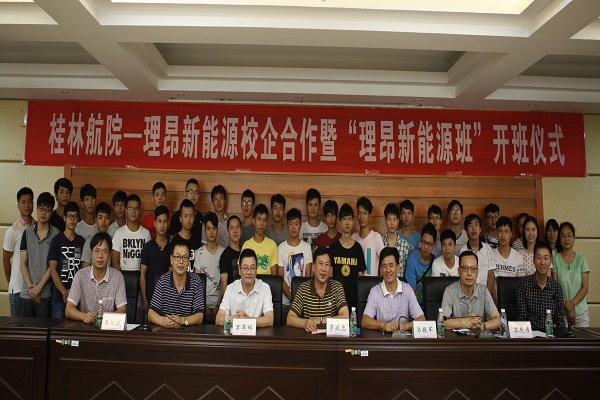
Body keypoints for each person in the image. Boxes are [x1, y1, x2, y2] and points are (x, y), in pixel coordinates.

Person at [66, 232, 127, 323]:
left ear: (109, 255)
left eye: (104, 251)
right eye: (97, 251)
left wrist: (105, 318)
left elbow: (122, 310)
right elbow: (68, 310)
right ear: (91, 253)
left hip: (108, 327)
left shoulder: (117, 277)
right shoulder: (80, 275)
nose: (100, 256)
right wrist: (83, 316)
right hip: (86, 327)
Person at [362, 247, 425, 332]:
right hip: (382, 338)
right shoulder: (375, 291)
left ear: (398, 268)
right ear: (380, 269)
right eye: (384, 266)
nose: (388, 270)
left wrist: (406, 326)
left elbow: (421, 319)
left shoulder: (407, 289)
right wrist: (383, 325)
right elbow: (365, 320)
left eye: (391, 265)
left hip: (402, 338)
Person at [287, 246, 348, 332]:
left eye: (327, 265)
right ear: (313, 267)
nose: (323, 269)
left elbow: (345, 317)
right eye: (320, 264)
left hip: (331, 338)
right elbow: (290, 319)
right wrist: (305, 323)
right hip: (309, 338)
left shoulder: (337, 287)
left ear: (330, 269)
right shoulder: (303, 289)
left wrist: (320, 320)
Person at [149, 238, 205, 328]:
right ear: (171, 259)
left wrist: (182, 321)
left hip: (187, 332)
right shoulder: (163, 281)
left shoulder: (196, 281)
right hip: (166, 330)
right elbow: (151, 313)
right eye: (177, 257)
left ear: (189, 261)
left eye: (185, 257)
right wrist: (163, 321)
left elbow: (199, 317)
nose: (181, 262)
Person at [19, 192, 58, 317]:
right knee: (24, 329)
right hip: (27, 293)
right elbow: (23, 263)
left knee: (43, 328)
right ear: (36, 209)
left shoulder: (56, 235)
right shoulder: (27, 233)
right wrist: (31, 288)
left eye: (47, 210)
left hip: (44, 294)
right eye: (41, 209)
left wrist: (38, 288)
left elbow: (52, 266)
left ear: (52, 212)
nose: (43, 213)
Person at [442, 250, 500, 330]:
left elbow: (498, 320)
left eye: (473, 269)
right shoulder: (450, 291)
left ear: (477, 272)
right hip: (457, 337)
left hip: (478, 336)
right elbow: (443, 321)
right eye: (465, 268)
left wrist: (481, 325)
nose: (469, 273)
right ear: (459, 271)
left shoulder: (483, 290)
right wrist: (464, 322)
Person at [216, 248, 274, 327]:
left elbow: (269, 319)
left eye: (252, 268)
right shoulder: (231, 288)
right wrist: (236, 319)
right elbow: (219, 318)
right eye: (245, 268)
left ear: (256, 270)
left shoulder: (265, 288)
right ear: (239, 270)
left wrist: (248, 320)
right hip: (235, 334)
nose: (249, 272)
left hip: (256, 334)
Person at [517, 241, 566, 330]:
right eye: (539, 258)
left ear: (550, 261)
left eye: (546, 258)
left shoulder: (556, 288)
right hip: (530, 336)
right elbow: (522, 319)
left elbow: (560, 321)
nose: (542, 262)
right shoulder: (523, 285)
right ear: (533, 260)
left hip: (549, 335)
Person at [48, 201, 86, 318]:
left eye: (75, 216)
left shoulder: (81, 241)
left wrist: (72, 291)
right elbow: (52, 269)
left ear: (78, 219)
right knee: (58, 328)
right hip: (59, 296)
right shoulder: (56, 240)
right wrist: (64, 292)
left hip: (77, 296)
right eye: (69, 216)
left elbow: (83, 270)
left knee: (75, 328)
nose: (72, 219)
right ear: (64, 218)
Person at [4, 187, 35, 316]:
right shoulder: (13, 230)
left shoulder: (38, 227)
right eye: (23, 202)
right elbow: (6, 260)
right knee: (17, 326)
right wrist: (11, 282)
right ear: (18, 206)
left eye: (30, 201)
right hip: (17, 289)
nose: (27, 205)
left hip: (34, 289)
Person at [278, 208, 313, 323]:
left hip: (303, 302)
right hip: (285, 303)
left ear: (300, 226)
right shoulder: (281, 248)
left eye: (296, 224)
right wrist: (291, 297)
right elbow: (280, 277)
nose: (293, 227)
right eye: (291, 224)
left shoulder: (307, 248)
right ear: (287, 226)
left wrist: (298, 299)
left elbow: (307, 277)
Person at [552, 222, 590, 327]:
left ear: (574, 238)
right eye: (563, 236)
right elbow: (556, 288)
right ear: (559, 239)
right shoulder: (555, 259)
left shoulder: (581, 259)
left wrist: (572, 304)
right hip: (562, 313)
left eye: (569, 235)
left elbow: (585, 287)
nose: (566, 239)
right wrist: (568, 309)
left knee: (582, 338)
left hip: (581, 313)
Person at [329, 203, 366, 309]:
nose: (347, 222)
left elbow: (360, 277)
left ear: (353, 222)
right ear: (339, 222)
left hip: (354, 301)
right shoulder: (333, 247)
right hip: (336, 300)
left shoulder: (358, 248)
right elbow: (330, 276)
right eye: (344, 219)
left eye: (350, 219)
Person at [194, 212, 226, 324]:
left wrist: (218, 306)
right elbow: (198, 283)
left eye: (214, 228)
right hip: (202, 304)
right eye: (208, 228)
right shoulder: (199, 253)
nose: (211, 232)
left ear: (217, 230)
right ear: (205, 231)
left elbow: (223, 282)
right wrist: (205, 307)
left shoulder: (223, 253)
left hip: (220, 304)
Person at [140, 205, 171, 313]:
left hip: (167, 299)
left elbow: (173, 274)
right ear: (154, 223)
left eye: (165, 221)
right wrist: (144, 299)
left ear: (168, 223)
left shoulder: (172, 247)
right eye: (159, 221)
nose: (162, 225)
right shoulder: (148, 247)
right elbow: (142, 274)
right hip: (150, 298)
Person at [112, 194, 152, 271]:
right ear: (126, 210)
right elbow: (115, 261)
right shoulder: (119, 233)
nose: (133, 211)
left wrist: (142, 276)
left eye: (136, 208)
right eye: (130, 208)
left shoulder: (146, 233)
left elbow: (148, 260)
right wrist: (122, 277)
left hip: (140, 276)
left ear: (140, 211)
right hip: (122, 276)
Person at [459, 213, 495, 295]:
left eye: (476, 225)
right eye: (470, 225)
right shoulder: (463, 251)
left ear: (480, 229)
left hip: (485, 295)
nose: (474, 228)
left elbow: (490, 276)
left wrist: (486, 297)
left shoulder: (488, 249)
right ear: (466, 231)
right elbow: (463, 277)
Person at [491, 216, 525, 303]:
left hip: (513, 301)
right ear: (496, 233)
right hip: (494, 301)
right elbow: (490, 282)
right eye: (500, 231)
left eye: (506, 231)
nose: (503, 235)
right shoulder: (490, 255)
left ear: (510, 234)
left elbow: (521, 284)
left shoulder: (518, 257)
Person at [405, 222, 437, 310]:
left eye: (429, 244)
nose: (426, 247)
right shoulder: (412, 260)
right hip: (415, 307)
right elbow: (411, 292)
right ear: (420, 240)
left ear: (434, 244)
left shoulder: (436, 262)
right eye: (423, 242)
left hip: (431, 307)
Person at [240, 203, 278, 275]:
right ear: (254, 221)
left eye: (264, 220)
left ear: (267, 223)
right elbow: (242, 272)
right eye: (259, 219)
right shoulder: (246, 245)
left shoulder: (272, 245)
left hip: (267, 282)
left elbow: (274, 276)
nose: (261, 224)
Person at [352, 196, 384, 277]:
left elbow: (384, 262)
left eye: (365, 213)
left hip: (372, 283)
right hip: (356, 282)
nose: (362, 217)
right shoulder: (353, 237)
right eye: (359, 213)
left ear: (370, 216)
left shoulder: (376, 237)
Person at [170, 199, 202, 271]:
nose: (188, 219)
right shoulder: (174, 240)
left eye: (191, 216)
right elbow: (171, 267)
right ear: (180, 219)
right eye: (185, 216)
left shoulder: (196, 240)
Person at [80, 202, 112, 268]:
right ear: (95, 220)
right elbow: (84, 268)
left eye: (106, 218)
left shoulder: (113, 241)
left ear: (110, 220)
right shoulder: (89, 242)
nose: (103, 221)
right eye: (100, 217)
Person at [220, 215, 242, 285]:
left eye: (237, 227)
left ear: (241, 230)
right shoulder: (225, 255)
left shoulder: (244, 251)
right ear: (228, 232)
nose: (235, 231)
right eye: (232, 228)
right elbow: (223, 283)